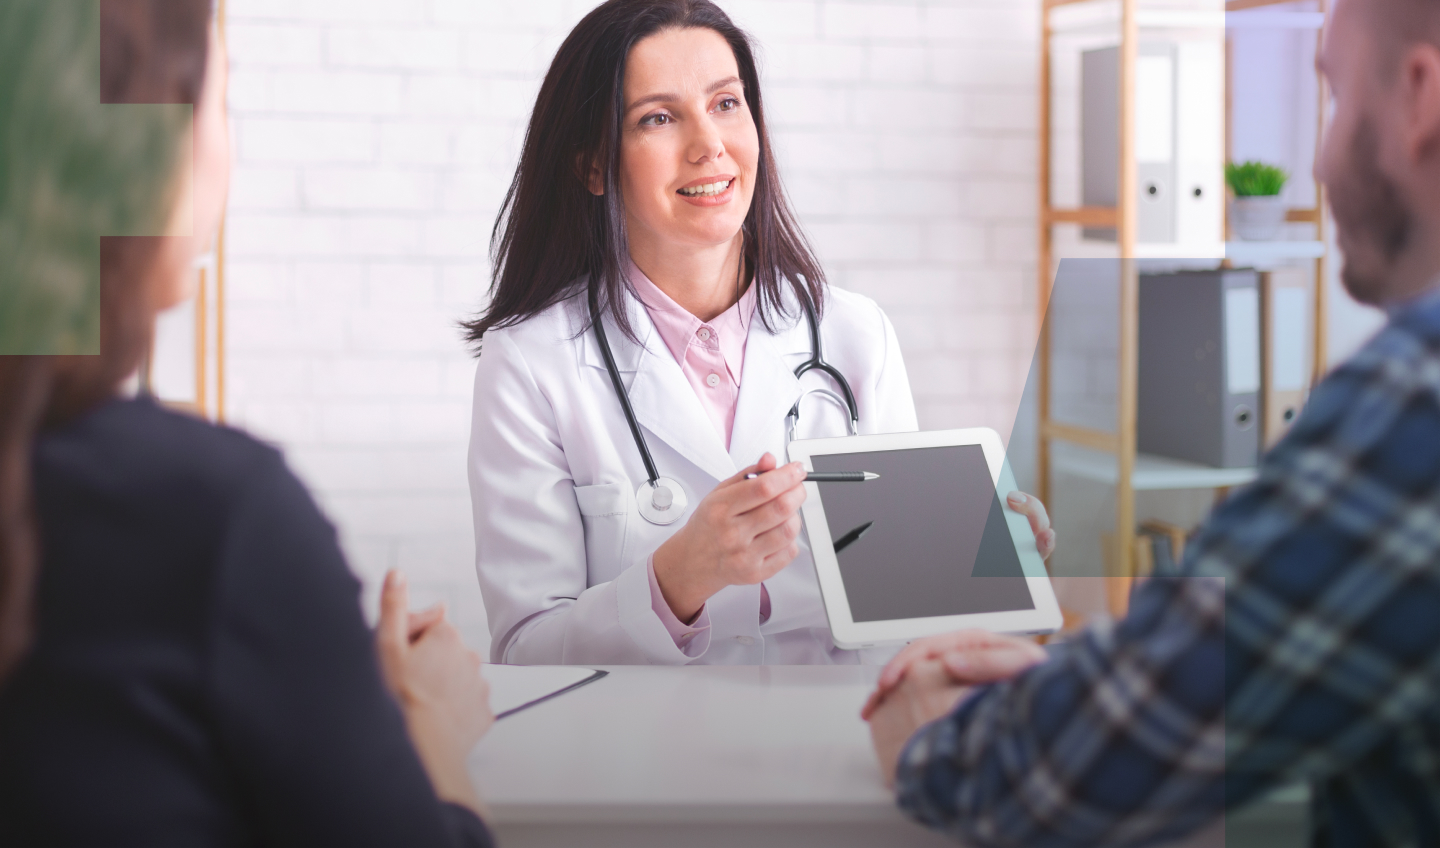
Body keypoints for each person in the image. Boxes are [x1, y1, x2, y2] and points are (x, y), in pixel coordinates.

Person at [861, 0, 1440, 845]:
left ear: (1420, 98)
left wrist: (932, 730)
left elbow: (1076, 774)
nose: (1313, 161)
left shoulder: (1412, 404)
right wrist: (1090, 676)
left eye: (1338, 99)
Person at [0, 3, 494, 844]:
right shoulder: (213, 517)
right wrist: (427, 730)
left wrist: (320, 684)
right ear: (139, 156)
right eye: (220, 103)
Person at [466, 0, 1057, 667]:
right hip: (640, 761)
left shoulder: (853, 335)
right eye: (658, 118)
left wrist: (980, 569)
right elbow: (524, 651)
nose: (709, 145)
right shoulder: (530, 363)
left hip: (834, 747)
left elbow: (905, 622)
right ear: (594, 166)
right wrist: (679, 578)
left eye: (726, 104)